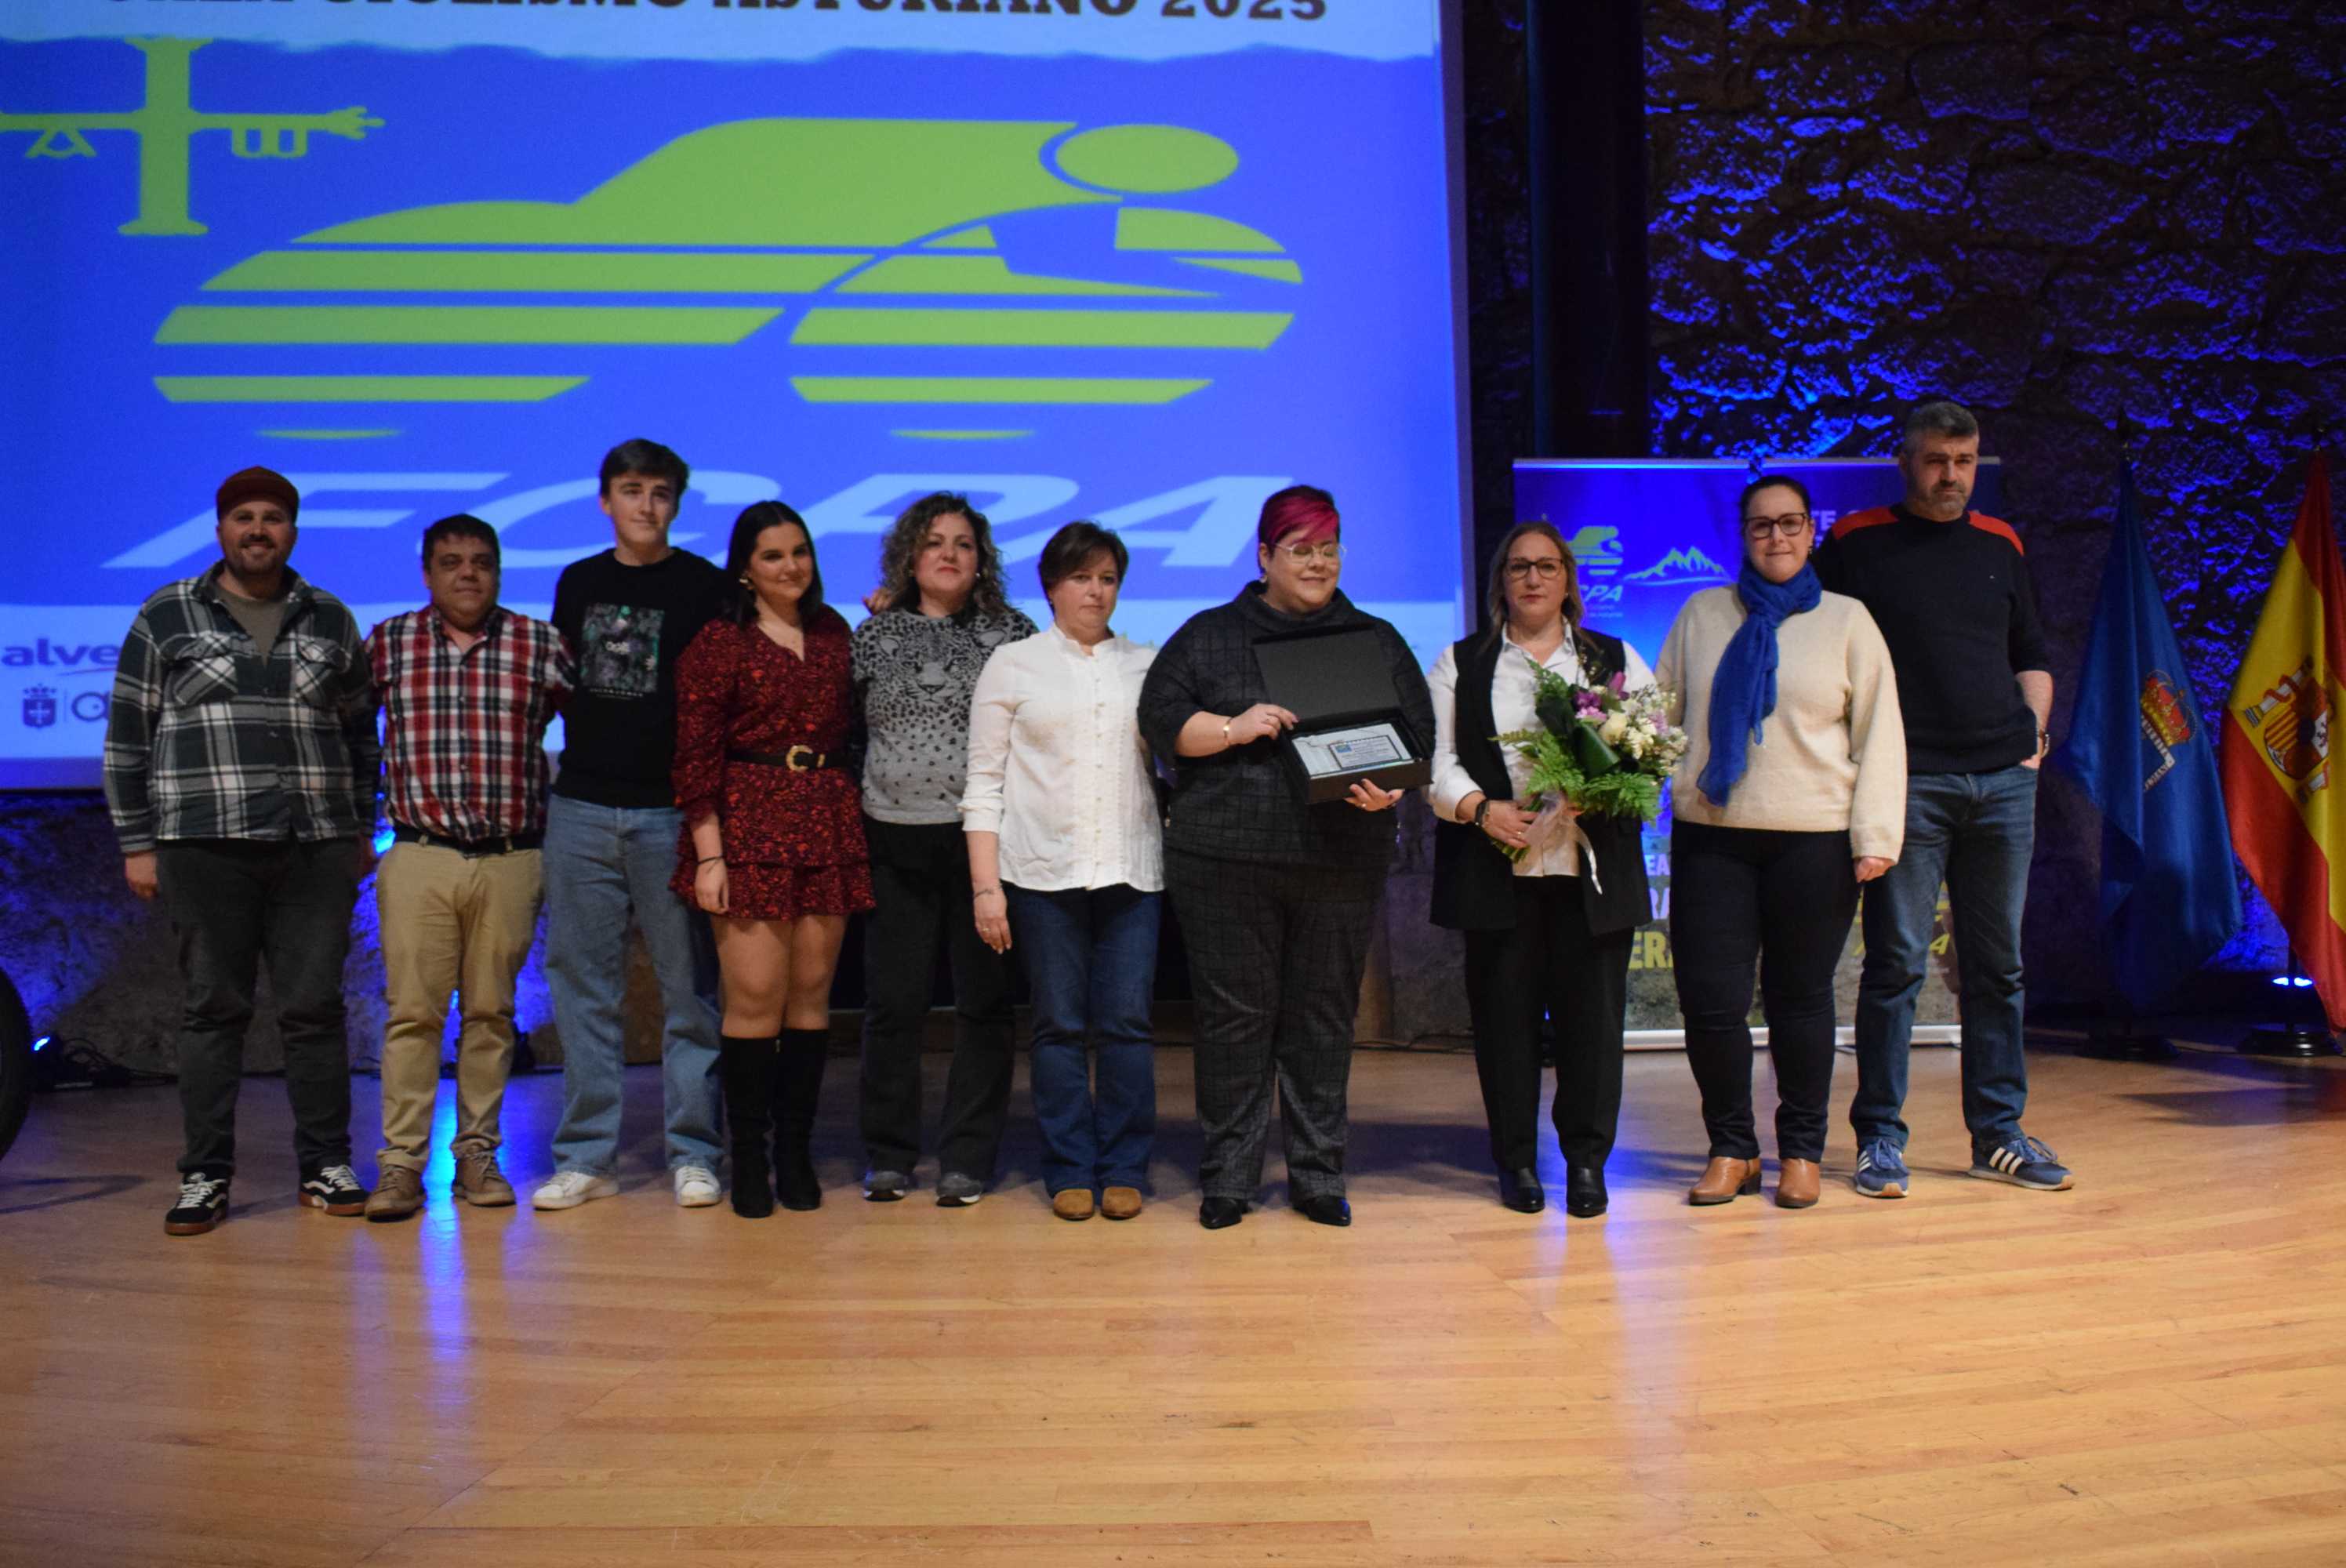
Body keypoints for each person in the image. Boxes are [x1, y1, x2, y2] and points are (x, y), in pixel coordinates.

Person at [1138, 485, 1435, 1230]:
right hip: (1225, 861)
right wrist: (1236, 728)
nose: (1318, 562)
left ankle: (1317, 1174)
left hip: (1340, 858)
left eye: (1329, 548)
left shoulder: (1376, 638)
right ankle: (1230, 1178)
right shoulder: (1208, 636)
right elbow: (1162, 723)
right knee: (1235, 1020)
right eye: (1300, 549)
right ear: (1265, 555)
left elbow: (1417, 738)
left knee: (1323, 1018)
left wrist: (1389, 790)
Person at [104, 466, 380, 1236]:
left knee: (314, 1013)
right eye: (244, 516)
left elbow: (361, 733)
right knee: (211, 1013)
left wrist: (361, 827)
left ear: (293, 530)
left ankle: (325, 1164)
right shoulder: (167, 613)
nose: (259, 529)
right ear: (221, 527)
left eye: (274, 518)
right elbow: (128, 735)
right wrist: (138, 843)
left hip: (314, 847)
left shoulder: (329, 616)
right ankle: (203, 1176)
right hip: (202, 847)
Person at [1814, 400, 2069, 1196]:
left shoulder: (2000, 543)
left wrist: (2031, 743)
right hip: (1908, 782)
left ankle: (1997, 1132)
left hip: (2002, 782)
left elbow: (2030, 651)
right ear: (1905, 460)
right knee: (1893, 965)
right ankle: (1880, 1137)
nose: (1950, 475)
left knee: (1997, 967)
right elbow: (1818, 647)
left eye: (1963, 461)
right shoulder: (1857, 541)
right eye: (1935, 460)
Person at [1658, 476, 1905, 1210]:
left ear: (1809, 531)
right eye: (1762, 526)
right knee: (1710, 1002)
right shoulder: (1703, 614)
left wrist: (1876, 835)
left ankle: (1800, 1149)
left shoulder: (1848, 620)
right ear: (1743, 533)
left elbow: (1881, 735)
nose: (1777, 538)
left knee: (1800, 1002)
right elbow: (1657, 714)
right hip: (1714, 838)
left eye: (1790, 524)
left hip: (1815, 840)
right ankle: (1732, 1148)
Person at [1425, 521, 1654, 1219]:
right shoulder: (1460, 662)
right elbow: (1438, 763)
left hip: (1590, 875)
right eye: (1518, 566)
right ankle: (1517, 1164)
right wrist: (1477, 808)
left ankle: (1586, 1164)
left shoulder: (1613, 658)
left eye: (1547, 566)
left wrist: (1603, 791)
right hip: (1498, 874)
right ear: (1501, 580)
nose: (1532, 578)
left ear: (1567, 580)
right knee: (1506, 1027)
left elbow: (1650, 752)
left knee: (1593, 1029)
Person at [533, 439, 731, 1212]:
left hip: (672, 810)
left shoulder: (705, 585)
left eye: (659, 491)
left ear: (676, 502)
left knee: (689, 989)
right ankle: (586, 1155)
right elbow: (564, 685)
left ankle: (694, 1151)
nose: (645, 504)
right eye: (630, 488)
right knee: (582, 986)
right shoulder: (579, 581)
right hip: (581, 805)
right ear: (605, 499)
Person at [360, 514, 572, 1222]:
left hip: (511, 857)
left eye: (481, 561)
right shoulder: (388, 643)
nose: (467, 574)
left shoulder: (538, 644)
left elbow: (602, 731)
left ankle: (477, 1153)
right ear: (427, 572)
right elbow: (347, 737)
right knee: (412, 1015)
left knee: (491, 1015)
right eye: (451, 562)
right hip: (420, 853)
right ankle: (400, 1165)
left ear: (499, 571)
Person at [672, 502, 872, 1218]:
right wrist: (709, 855)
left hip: (823, 818)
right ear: (745, 571)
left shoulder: (833, 633)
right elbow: (694, 757)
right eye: (773, 556)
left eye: (800, 552)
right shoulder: (719, 643)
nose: (791, 567)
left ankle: (795, 1153)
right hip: (748, 824)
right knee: (754, 1001)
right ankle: (749, 1157)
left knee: (810, 1003)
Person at [963, 521, 1162, 1222]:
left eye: (1108, 578)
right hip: (1041, 874)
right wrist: (987, 887)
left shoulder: (1146, 663)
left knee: (1129, 1026)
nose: (1096, 591)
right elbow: (983, 782)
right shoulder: (1013, 664)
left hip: (1131, 871)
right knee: (1057, 1026)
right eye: (1082, 577)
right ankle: (1071, 1166)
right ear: (1052, 587)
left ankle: (1126, 1166)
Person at [853, 493, 1038, 1205]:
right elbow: (850, 734)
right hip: (892, 838)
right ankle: (891, 1155)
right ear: (910, 555)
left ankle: (967, 1157)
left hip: (981, 847)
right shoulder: (871, 636)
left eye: (964, 542)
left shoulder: (1012, 635)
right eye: (934, 542)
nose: (950, 554)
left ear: (981, 558)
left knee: (985, 1007)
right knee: (893, 1006)